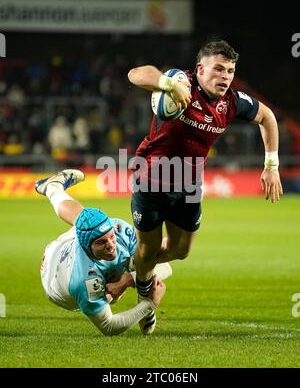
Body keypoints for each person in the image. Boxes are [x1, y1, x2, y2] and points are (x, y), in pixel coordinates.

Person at [127, 40, 283, 328]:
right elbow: (136, 74)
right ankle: (144, 295)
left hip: (188, 186)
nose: (225, 76)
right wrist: (167, 84)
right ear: (200, 69)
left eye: (231, 71)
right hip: (149, 181)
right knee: (147, 252)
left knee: (180, 251)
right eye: (219, 69)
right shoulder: (182, 82)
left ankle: (130, 273)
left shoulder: (233, 102)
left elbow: (268, 117)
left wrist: (271, 166)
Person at [35, 169, 171, 336]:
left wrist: (128, 280)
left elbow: (165, 266)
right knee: (120, 283)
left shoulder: (118, 228)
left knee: (86, 219)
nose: (111, 245)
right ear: (87, 245)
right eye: (102, 243)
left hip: (74, 248)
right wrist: (150, 304)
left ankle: (52, 187)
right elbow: (109, 326)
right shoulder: (83, 280)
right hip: (55, 281)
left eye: (111, 237)